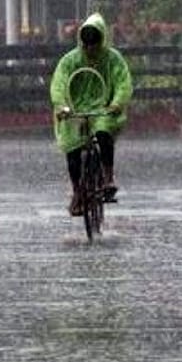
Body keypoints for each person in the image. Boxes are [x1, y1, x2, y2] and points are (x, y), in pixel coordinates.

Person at [50, 13, 133, 216]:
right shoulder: (70, 60)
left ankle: (108, 177)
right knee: (73, 152)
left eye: (94, 44)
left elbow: (123, 82)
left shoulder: (113, 59)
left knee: (104, 133)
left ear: (101, 40)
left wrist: (116, 103)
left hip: (104, 108)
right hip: (74, 110)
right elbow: (59, 83)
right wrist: (61, 105)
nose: (90, 49)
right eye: (86, 44)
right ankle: (78, 191)